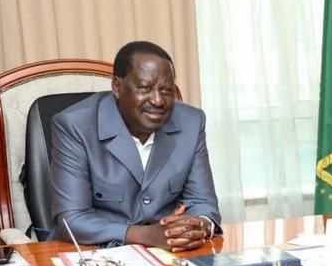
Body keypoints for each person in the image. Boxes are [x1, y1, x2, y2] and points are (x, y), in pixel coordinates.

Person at [50, 41, 221, 250]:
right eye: (145, 88)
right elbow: (72, 220)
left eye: (166, 90)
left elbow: (203, 202)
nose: (158, 100)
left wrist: (198, 225)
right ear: (117, 87)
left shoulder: (191, 123)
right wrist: (146, 235)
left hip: (172, 253)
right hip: (96, 255)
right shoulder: (74, 126)